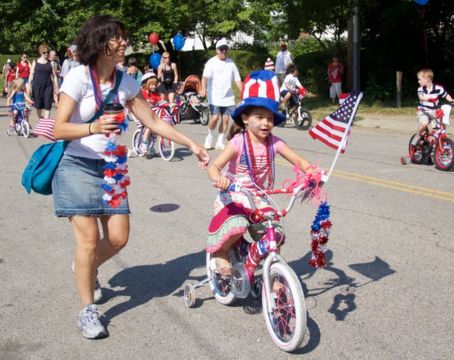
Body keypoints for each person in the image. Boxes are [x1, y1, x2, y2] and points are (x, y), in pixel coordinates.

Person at [52, 15, 209, 339]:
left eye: (124, 37)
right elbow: (58, 128)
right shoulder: (79, 78)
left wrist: (191, 143)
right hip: (76, 165)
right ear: (100, 42)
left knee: (119, 237)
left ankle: (85, 266)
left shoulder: (126, 81)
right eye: (117, 38)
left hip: (111, 166)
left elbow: (152, 121)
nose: (124, 43)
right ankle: (88, 310)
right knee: (88, 240)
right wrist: (93, 127)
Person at [205, 70, 318, 280]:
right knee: (238, 227)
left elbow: (300, 161)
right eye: (260, 117)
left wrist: (313, 173)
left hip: (257, 196)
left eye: (270, 118)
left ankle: (274, 277)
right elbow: (214, 166)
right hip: (234, 195)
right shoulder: (237, 142)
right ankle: (221, 252)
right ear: (246, 119)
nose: (266, 123)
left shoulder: (275, 143)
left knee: (274, 231)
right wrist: (219, 179)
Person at [200, 38, 242, 150]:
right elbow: (204, 78)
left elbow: (237, 80)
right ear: (217, 50)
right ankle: (209, 137)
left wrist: (244, 92)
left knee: (226, 119)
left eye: (225, 49)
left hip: (228, 97)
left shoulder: (231, 63)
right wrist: (203, 89)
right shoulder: (211, 62)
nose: (224, 51)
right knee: (214, 118)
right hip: (214, 96)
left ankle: (220, 141)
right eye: (221, 49)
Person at [412, 68, 454, 146]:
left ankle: (433, 144)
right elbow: (420, 96)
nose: (418, 81)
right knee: (424, 123)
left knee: (438, 127)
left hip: (433, 112)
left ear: (427, 79)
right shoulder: (421, 89)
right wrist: (424, 98)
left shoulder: (438, 88)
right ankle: (417, 135)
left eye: (420, 79)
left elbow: (445, 95)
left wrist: (451, 100)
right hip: (423, 112)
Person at [28, 43, 59, 119]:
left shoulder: (51, 63)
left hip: (48, 86)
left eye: (47, 52)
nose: (46, 54)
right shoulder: (35, 61)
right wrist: (29, 85)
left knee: (47, 105)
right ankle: (41, 120)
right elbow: (31, 74)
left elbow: (54, 76)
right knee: (38, 106)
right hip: (37, 86)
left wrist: (56, 87)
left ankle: (45, 122)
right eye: (44, 52)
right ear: (40, 52)